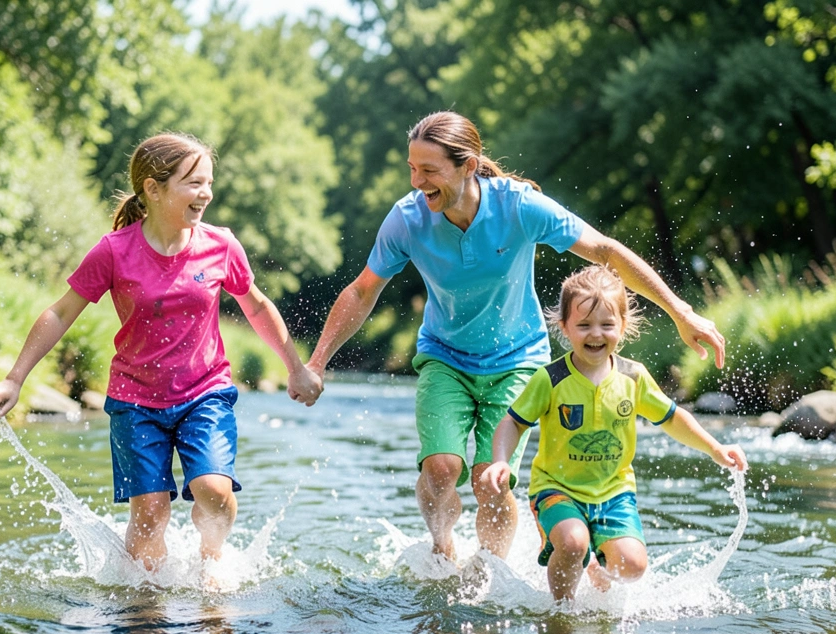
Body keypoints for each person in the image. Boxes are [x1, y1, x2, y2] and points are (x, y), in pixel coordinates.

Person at [304, 110, 726, 562]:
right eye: (412, 168)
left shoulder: (518, 206)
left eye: (429, 171)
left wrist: (681, 311)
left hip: (517, 360)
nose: (416, 181)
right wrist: (317, 361)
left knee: (491, 475)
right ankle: (442, 546)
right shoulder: (407, 220)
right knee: (442, 469)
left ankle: (490, 571)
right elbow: (363, 290)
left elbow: (604, 250)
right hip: (444, 357)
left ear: (467, 165)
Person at [0, 133, 322, 575]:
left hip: (206, 393)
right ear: (153, 189)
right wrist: (15, 377)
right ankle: (146, 607)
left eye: (209, 182)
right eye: (194, 183)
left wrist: (296, 367)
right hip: (135, 402)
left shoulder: (221, 245)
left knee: (215, 493)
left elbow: (255, 305)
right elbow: (61, 312)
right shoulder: (114, 251)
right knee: (150, 516)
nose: (206, 194)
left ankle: (212, 566)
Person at [482, 265, 748, 601]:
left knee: (633, 566)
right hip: (556, 488)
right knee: (574, 542)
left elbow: (672, 418)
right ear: (564, 327)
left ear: (623, 326)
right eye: (584, 325)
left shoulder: (633, 378)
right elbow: (513, 422)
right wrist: (501, 460)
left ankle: (598, 568)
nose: (596, 334)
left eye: (607, 325)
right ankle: (562, 613)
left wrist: (714, 448)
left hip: (614, 493)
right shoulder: (550, 378)